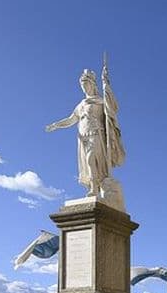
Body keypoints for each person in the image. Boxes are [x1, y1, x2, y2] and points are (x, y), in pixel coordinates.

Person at [46, 65, 125, 197]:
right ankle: (94, 187)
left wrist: (106, 85)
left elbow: (112, 108)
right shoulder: (81, 104)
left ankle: (94, 188)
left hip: (96, 134)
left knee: (91, 160)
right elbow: (71, 119)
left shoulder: (100, 101)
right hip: (83, 137)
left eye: (86, 84)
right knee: (88, 164)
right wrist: (56, 125)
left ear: (92, 84)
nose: (84, 88)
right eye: (82, 86)